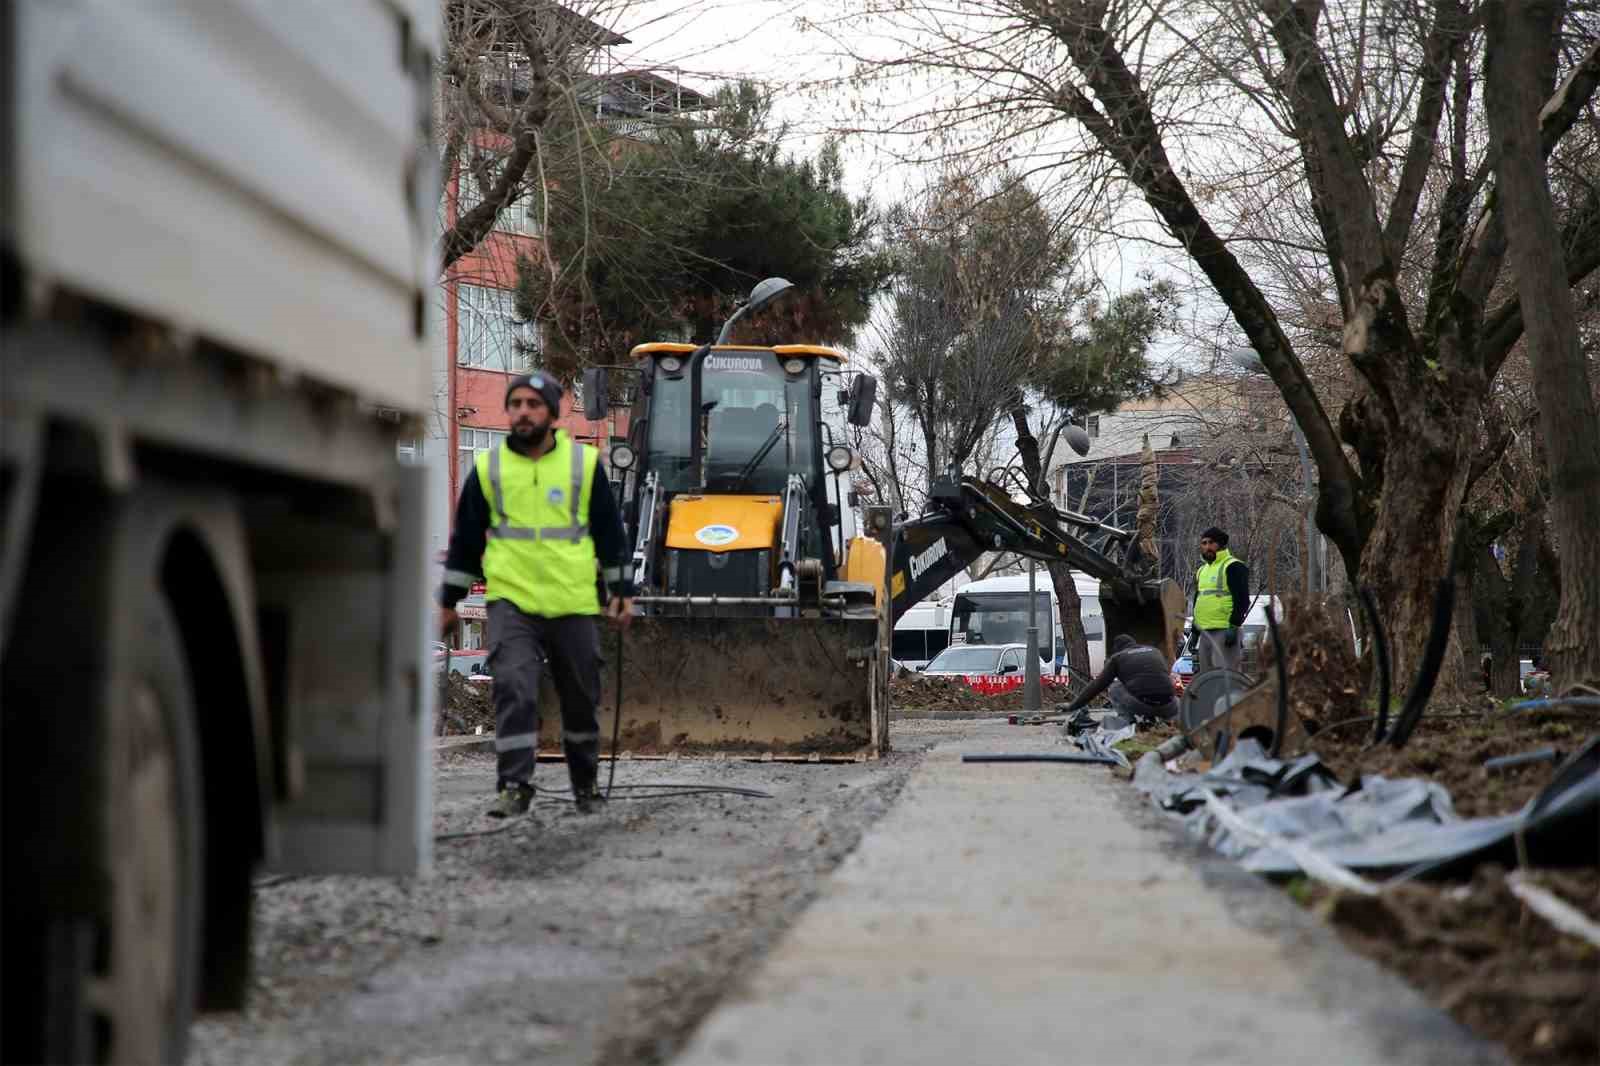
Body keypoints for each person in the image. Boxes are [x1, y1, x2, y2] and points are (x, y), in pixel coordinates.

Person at [437, 372, 634, 818]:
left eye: (532, 404)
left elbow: (610, 534)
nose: (522, 411)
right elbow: (466, 541)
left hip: (573, 601)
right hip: (512, 601)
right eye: (516, 404)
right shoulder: (488, 469)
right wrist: (447, 601)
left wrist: (622, 592)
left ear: (551, 413)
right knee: (514, 688)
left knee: (581, 698)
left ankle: (585, 786)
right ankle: (513, 786)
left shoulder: (583, 466)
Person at [1059, 634, 1179, 720]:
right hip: (1170, 707)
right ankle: (1170, 719)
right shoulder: (1155, 651)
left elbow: (1097, 686)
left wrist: (1072, 706)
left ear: (1117, 649)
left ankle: (1127, 722)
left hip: (1143, 708)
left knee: (1115, 687)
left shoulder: (1118, 657)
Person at [1188, 526, 1249, 674]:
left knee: (1227, 677)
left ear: (1221, 544)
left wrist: (1234, 625)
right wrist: (1195, 631)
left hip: (1225, 631)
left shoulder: (1233, 566)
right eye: (1204, 543)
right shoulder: (1202, 570)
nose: (1207, 547)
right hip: (1205, 632)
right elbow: (1199, 600)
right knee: (1206, 678)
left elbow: (1242, 599)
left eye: (1211, 543)